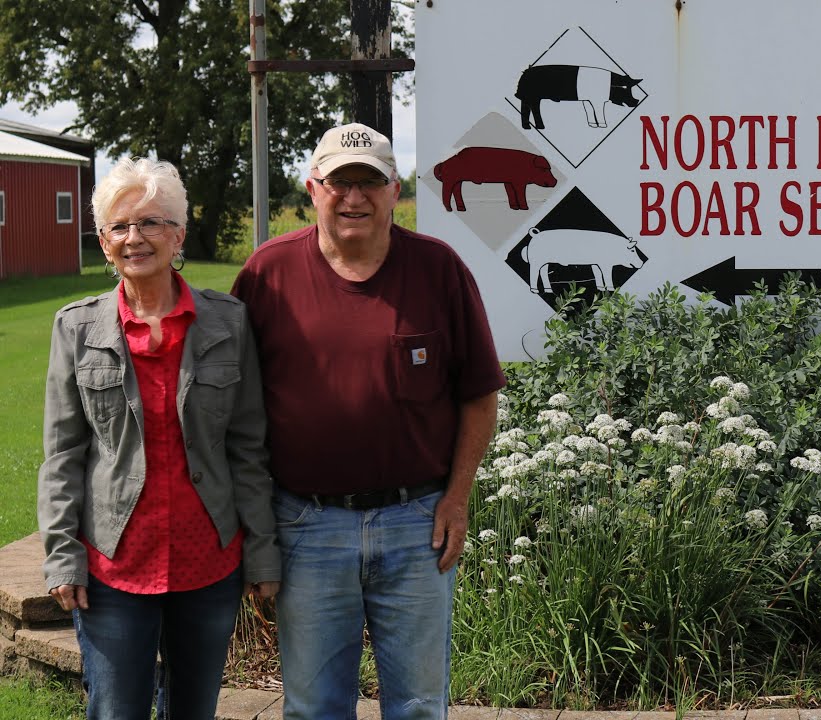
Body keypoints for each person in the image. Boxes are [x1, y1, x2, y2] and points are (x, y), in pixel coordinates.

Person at [231, 122, 506, 720]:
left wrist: (456, 499)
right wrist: (255, 530)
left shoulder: (439, 270)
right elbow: (238, 414)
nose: (353, 197)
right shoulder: (267, 276)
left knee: (417, 707)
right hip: (306, 525)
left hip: (416, 525)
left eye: (370, 182)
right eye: (339, 182)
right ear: (313, 188)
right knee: (314, 707)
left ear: (395, 191)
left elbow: (479, 396)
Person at [38, 157, 280, 720]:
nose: (134, 238)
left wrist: (263, 549)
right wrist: (61, 556)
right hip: (114, 565)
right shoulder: (76, 328)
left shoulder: (230, 323)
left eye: (150, 223)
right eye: (119, 227)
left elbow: (249, 448)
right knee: (117, 710)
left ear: (178, 234)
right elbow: (62, 455)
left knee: (194, 711)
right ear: (102, 242)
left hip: (209, 563)